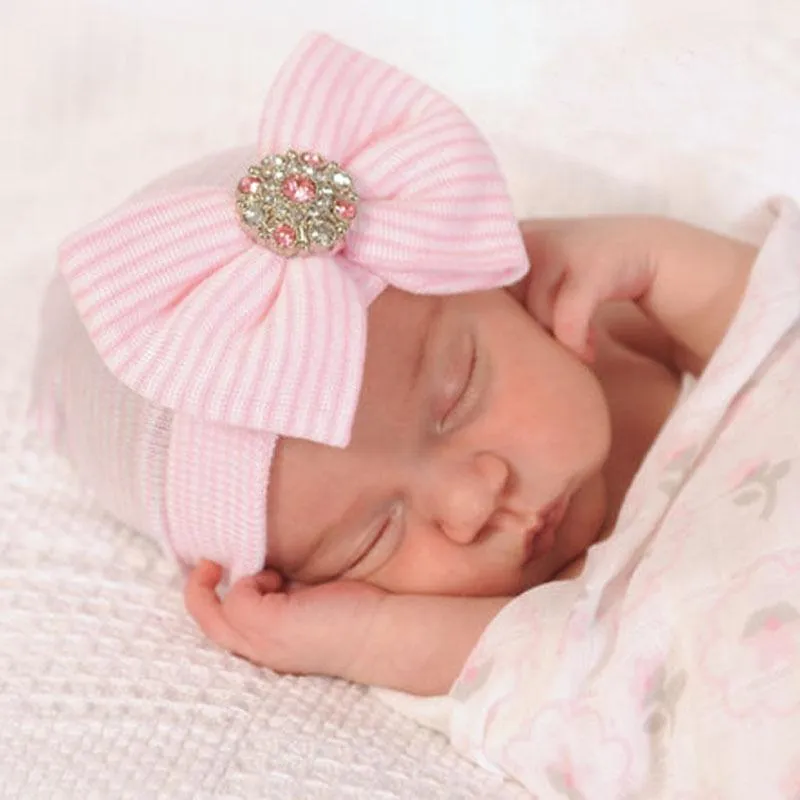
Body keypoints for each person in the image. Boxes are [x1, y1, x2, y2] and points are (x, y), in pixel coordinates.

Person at [31, 33, 758, 697]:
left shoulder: (636, 325)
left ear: (502, 280)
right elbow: (558, 679)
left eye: (455, 395)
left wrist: (664, 260)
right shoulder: (525, 620)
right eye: (374, 535)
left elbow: (775, 328)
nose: (472, 505)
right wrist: (368, 638)